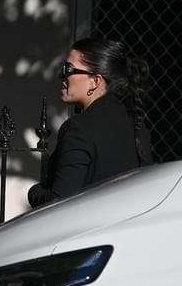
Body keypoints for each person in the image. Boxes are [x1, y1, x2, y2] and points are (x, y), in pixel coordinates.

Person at [28, 38, 152, 208]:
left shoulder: (78, 129)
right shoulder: (137, 124)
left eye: (68, 69)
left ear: (95, 81)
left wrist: (34, 192)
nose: (61, 75)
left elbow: (60, 203)